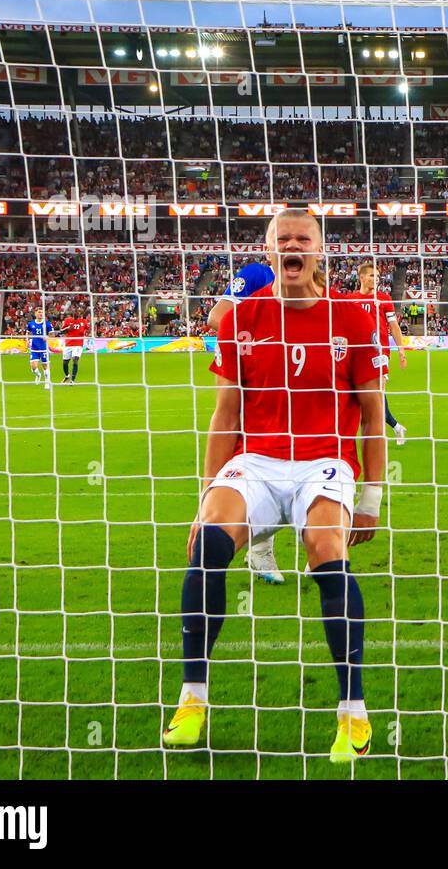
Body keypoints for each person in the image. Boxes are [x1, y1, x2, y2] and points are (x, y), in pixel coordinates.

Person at [162, 210, 387, 761]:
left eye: (302, 239)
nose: (292, 246)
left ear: (319, 251)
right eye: (282, 239)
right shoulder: (240, 317)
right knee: (208, 544)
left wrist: (372, 499)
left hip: (325, 461)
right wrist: (205, 496)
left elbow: (374, 412)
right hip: (257, 459)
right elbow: (225, 414)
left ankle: (353, 714)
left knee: (326, 549)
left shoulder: (353, 319)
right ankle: (193, 699)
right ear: (268, 253)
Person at [206, 258, 282, 584]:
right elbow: (217, 317)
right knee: (258, 455)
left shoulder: (313, 283)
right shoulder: (256, 274)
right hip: (253, 375)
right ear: (269, 247)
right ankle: (259, 550)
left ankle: (324, 548)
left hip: (292, 377)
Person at [343, 261, 408, 447]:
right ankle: (396, 426)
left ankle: (377, 434)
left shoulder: (384, 299)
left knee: (376, 394)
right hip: (355, 355)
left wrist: (401, 350)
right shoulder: (349, 300)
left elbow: (393, 326)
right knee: (362, 396)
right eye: (372, 276)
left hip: (378, 353)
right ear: (361, 277)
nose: (376, 279)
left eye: (378, 277)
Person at [26, 308, 54, 389]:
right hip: (34, 348)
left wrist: (47, 337)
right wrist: (27, 340)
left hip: (43, 348)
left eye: (42, 312)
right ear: (35, 314)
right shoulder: (31, 324)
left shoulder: (47, 324)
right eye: (39, 312)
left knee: (45, 366)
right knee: (33, 367)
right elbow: (27, 332)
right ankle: (38, 375)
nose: (41, 314)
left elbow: (52, 334)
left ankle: (47, 382)